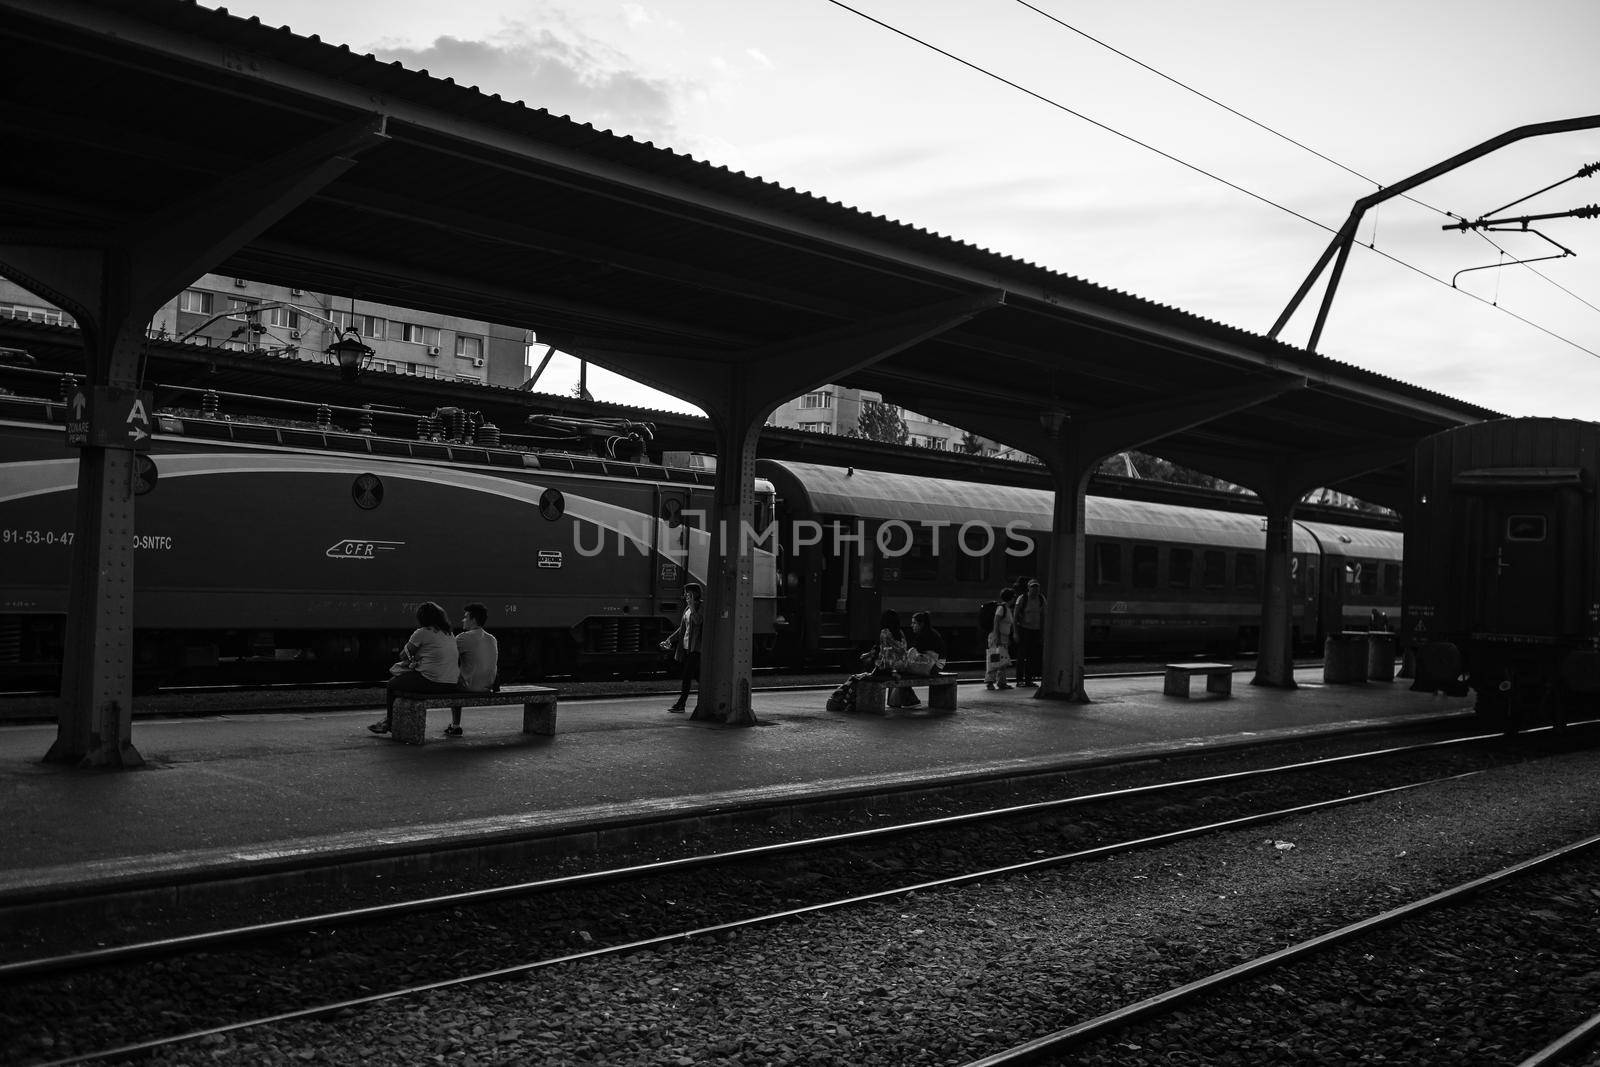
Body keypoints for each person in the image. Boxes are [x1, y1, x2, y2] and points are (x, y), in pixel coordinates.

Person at [369, 602, 460, 734]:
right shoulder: (449, 633)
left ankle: (389, 721)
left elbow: (403, 655)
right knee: (407, 679)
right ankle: (391, 720)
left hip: (432, 682)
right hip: (451, 683)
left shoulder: (422, 632)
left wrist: (415, 656)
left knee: (392, 684)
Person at [444, 602, 499, 737]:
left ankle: (456, 725)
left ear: (473, 620)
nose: (463, 620)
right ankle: (455, 725)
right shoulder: (492, 639)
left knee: (453, 677)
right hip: (488, 687)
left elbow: (446, 657)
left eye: (466, 617)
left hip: (469, 687)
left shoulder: (463, 638)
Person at [660, 583, 704, 713]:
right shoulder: (687, 609)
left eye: (687, 593)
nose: (685, 595)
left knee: (687, 676)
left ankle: (681, 704)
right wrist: (669, 639)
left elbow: (698, 621)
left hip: (695, 648)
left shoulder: (699, 607)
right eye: (685, 593)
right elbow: (682, 629)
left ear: (694, 594)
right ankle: (713, 691)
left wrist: (692, 605)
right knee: (697, 675)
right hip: (686, 647)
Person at [898, 611, 947, 709]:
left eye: (914, 623)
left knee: (901, 671)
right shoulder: (929, 632)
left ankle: (911, 700)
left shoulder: (925, 635)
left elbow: (916, 650)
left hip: (934, 665)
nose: (912, 625)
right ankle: (908, 699)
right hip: (935, 664)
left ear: (922, 624)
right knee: (901, 669)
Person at [1013, 579, 1047, 687]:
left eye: (1036, 587)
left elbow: (1043, 617)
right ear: (1028, 588)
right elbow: (1015, 616)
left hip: (1035, 630)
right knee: (1021, 656)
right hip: (1024, 629)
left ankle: (1028, 680)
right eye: (1033, 587)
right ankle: (1019, 680)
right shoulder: (1022, 598)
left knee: (1032, 656)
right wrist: (1015, 633)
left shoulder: (1041, 599)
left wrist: (1043, 633)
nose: (1035, 590)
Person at [986, 587, 1017, 691]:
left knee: (1003, 661)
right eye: (1013, 597)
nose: (1014, 599)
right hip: (997, 637)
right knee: (994, 660)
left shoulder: (1007, 609)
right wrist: (997, 637)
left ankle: (1001, 682)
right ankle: (990, 682)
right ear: (1010, 598)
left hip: (1004, 638)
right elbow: (996, 622)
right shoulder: (1002, 608)